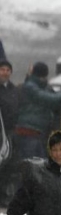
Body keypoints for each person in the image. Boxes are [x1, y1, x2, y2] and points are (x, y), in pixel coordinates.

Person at [7, 62, 61, 199]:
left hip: (38, 135)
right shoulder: (30, 87)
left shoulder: (40, 87)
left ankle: (35, 200)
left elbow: (52, 99)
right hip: (27, 133)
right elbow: (47, 99)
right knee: (30, 169)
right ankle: (24, 200)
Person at [0, 58, 19, 206]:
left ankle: (3, 195)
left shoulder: (14, 90)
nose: (5, 73)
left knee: (8, 164)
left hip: (10, 132)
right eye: (2, 70)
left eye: (7, 70)